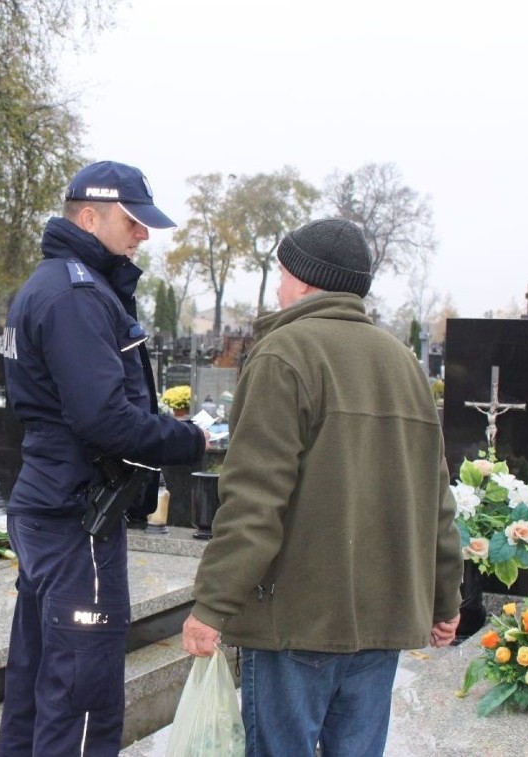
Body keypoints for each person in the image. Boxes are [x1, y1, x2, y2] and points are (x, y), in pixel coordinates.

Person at [181, 218, 462, 757]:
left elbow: (254, 501)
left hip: (296, 623)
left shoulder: (285, 355)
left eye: (283, 275)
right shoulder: (403, 364)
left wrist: (212, 605)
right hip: (383, 623)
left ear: (307, 281)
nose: (280, 288)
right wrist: (445, 599)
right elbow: (437, 501)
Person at [0, 160, 207, 756]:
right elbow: (103, 419)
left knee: (38, 684)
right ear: (89, 217)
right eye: (132, 222)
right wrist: (190, 441)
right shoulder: (76, 294)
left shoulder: (57, 284)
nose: (143, 235)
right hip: (76, 515)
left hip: (53, 502)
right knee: (82, 696)